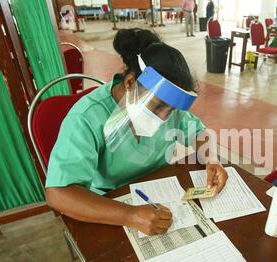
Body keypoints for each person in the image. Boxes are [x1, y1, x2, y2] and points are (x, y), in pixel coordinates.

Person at [45, 28, 228, 236]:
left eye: (171, 110)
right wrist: (130, 216)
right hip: (110, 203)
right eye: (157, 107)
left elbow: (198, 132)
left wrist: (212, 159)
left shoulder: (169, 107)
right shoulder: (87, 118)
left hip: (160, 190)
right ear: (130, 83)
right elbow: (58, 193)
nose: (163, 118)